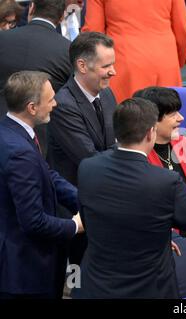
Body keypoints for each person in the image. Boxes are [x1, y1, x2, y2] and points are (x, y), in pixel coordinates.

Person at [75, 97, 186, 298]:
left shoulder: (87, 168)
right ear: (150, 133)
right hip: (149, 288)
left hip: (95, 287)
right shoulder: (166, 181)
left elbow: (90, 218)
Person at [0, 71, 84, 299]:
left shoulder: (10, 132)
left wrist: (86, 200)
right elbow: (33, 222)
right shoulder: (19, 152)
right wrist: (75, 225)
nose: (56, 104)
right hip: (25, 274)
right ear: (32, 107)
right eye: (50, 100)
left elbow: (47, 175)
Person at [133, 86, 186, 297]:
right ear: (153, 121)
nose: (181, 118)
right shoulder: (138, 157)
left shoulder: (183, 144)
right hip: (159, 251)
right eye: (172, 114)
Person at [46, 31, 117, 267]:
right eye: (106, 66)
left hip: (105, 200)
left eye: (113, 64)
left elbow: (116, 143)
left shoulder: (107, 95)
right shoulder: (63, 105)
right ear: (82, 65)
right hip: (77, 210)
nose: (113, 72)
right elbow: (91, 159)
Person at [82, 0, 186, 103]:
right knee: (167, 117)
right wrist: (178, 60)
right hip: (165, 63)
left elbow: (93, 33)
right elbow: (184, 29)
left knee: (129, 119)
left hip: (124, 65)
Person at [0, 0, 72, 154]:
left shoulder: (3, 39)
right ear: (61, 18)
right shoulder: (68, 50)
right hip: (43, 140)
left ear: (31, 8)